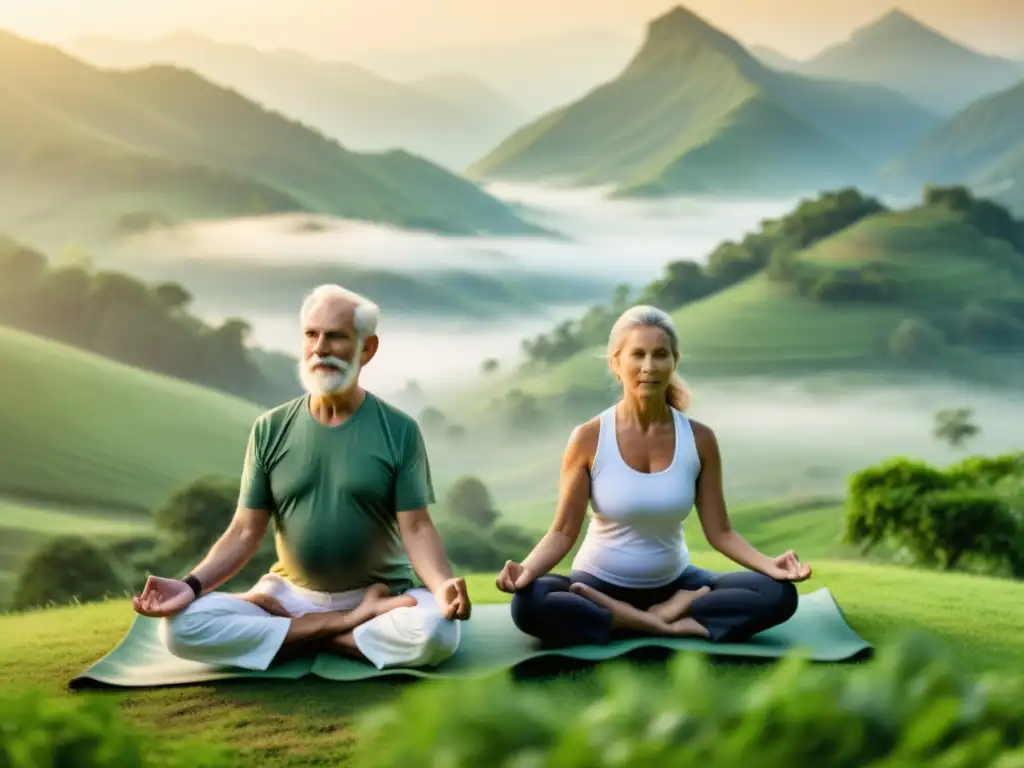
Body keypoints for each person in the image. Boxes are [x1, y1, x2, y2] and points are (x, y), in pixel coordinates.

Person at [132, 283, 470, 672]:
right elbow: (244, 531)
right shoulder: (269, 429)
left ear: (367, 348)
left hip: (383, 597)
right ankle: (343, 628)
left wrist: (443, 586)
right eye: (312, 334)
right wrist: (190, 586)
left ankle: (296, 635)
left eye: (336, 336)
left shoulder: (400, 430)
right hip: (288, 596)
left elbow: (417, 529)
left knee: (438, 635)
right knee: (180, 629)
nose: (320, 347)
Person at [496, 305, 811, 648]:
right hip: (597, 585)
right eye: (638, 355)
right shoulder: (588, 438)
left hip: (678, 584)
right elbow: (562, 531)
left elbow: (720, 532)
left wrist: (770, 566)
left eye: (660, 354)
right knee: (529, 603)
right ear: (616, 363)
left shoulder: (700, 439)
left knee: (778, 594)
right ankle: (667, 622)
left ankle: (622, 621)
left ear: (674, 361)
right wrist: (526, 570)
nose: (649, 366)